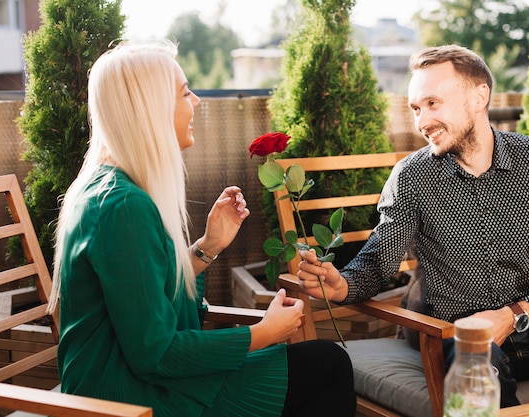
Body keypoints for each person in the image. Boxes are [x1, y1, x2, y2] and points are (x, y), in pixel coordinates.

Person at [48, 40, 356, 417]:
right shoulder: (122, 205)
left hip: (126, 380)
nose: (195, 101)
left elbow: (139, 295)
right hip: (127, 396)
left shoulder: (107, 187)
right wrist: (264, 333)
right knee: (329, 366)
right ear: (151, 108)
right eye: (184, 92)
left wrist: (209, 246)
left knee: (324, 364)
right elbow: (155, 353)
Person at [298, 44, 529, 408]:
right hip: (455, 330)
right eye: (416, 109)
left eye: (433, 104)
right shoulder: (412, 177)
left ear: (479, 96)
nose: (421, 123)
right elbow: (377, 262)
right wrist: (341, 284)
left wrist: (518, 313)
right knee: (478, 386)